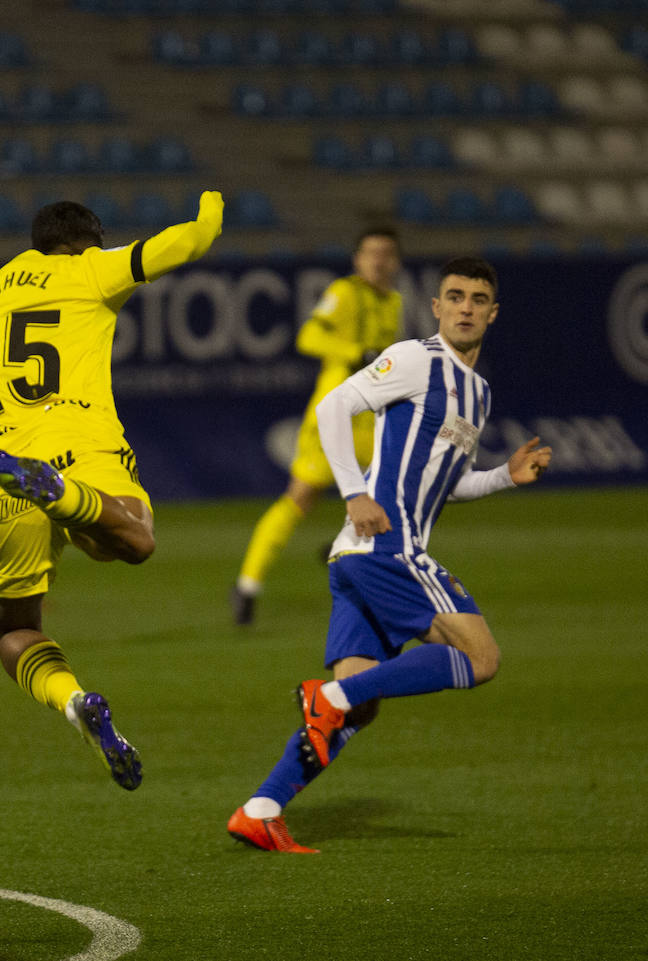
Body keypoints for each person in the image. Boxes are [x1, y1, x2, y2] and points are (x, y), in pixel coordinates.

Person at [0, 192, 225, 790]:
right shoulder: (92, 268)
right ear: (91, 240)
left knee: (12, 631)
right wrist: (211, 209)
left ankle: (74, 701)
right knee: (133, 540)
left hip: (5, 464)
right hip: (86, 445)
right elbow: (185, 241)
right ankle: (62, 495)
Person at [227, 256, 552, 851]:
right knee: (481, 658)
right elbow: (332, 408)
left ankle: (262, 807)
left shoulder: (476, 393)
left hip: (359, 558)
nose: (465, 308)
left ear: (493, 313)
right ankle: (328, 696)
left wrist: (504, 475)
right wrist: (353, 491)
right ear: (436, 306)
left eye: (478, 299)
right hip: (386, 546)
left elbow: (448, 483)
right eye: (454, 296)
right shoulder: (414, 358)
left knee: (362, 704)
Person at [231, 226, 404, 626]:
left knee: (393, 496)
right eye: (371, 252)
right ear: (358, 260)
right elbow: (309, 336)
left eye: (387, 253)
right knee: (300, 497)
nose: (379, 260)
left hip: (373, 419)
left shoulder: (393, 300)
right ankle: (247, 585)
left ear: (395, 261)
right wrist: (354, 352)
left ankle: (347, 543)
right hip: (336, 417)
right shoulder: (344, 294)